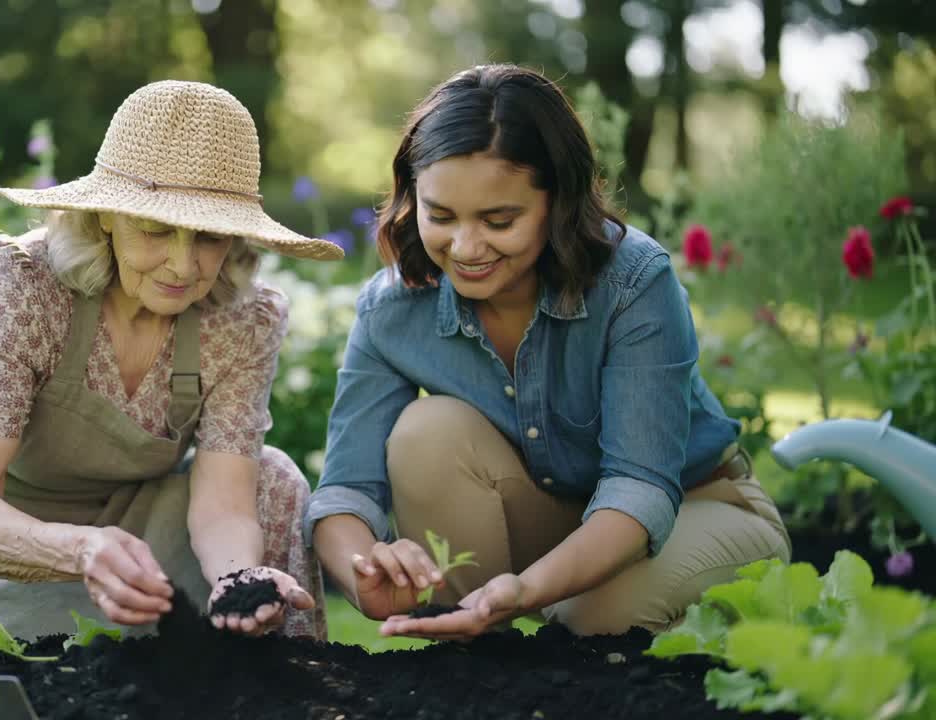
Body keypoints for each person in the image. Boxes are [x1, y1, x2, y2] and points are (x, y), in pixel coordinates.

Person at [304, 64, 791, 641]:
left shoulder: (633, 282)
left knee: (592, 621)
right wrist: (366, 573)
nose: (465, 247)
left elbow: (639, 489)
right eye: (441, 216)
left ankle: (731, 633)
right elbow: (345, 489)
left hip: (698, 506)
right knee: (424, 431)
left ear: (557, 202)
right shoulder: (392, 309)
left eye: (499, 219)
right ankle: (480, 651)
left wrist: (528, 591)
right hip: (554, 516)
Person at [0, 80, 343, 641]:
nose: (181, 265)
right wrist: (80, 549)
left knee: (274, 477)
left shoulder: (243, 318)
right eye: (155, 230)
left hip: (132, 529)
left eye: (208, 238)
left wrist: (236, 577)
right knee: (31, 668)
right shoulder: (29, 287)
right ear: (105, 218)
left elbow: (224, 502)